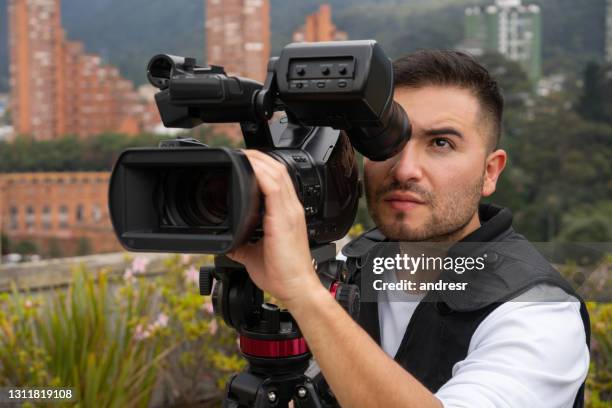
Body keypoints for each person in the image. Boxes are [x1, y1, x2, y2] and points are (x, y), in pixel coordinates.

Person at [227, 50, 590, 408]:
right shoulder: (351, 263)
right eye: (387, 142)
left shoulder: (538, 312)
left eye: (441, 144)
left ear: (490, 172)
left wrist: (305, 294)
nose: (404, 169)